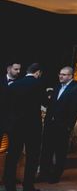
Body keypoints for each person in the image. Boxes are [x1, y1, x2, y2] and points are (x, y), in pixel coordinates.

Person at [2, 63, 46, 191]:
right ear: (38, 73)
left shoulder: (14, 85)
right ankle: (28, 186)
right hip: (33, 128)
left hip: (16, 127)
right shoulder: (39, 84)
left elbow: (8, 107)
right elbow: (44, 102)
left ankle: (9, 186)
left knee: (13, 156)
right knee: (32, 157)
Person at [38, 66, 77, 184]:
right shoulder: (57, 86)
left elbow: (75, 110)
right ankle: (43, 174)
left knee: (60, 152)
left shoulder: (76, 89)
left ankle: (55, 176)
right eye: (60, 74)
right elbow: (52, 105)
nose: (60, 76)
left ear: (71, 76)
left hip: (63, 127)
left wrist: (68, 126)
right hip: (50, 125)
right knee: (46, 151)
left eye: (63, 74)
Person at [0, 61, 21, 145]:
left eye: (19, 69)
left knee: (13, 146)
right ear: (8, 69)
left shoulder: (20, 83)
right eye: (16, 69)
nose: (18, 71)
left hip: (12, 121)